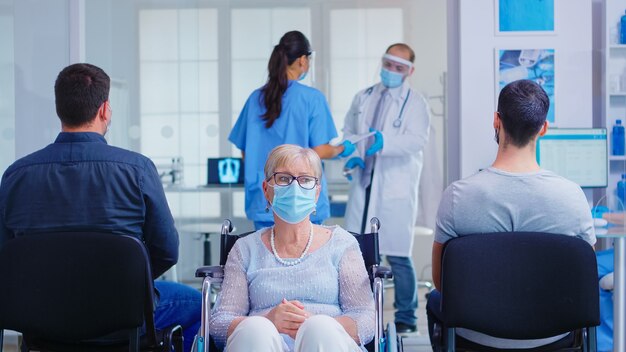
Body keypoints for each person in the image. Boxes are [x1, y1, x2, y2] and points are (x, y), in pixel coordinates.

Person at [0, 63, 201, 352]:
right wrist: (121, 281)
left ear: (60, 109)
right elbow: (167, 251)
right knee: (198, 304)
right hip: (122, 316)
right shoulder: (137, 170)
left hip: (41, 315)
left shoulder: (16, 175)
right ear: (105, 109)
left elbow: (7, 256)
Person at [426, 79, 596, 350]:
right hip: (553, 337)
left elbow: (442, 281)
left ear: (496, 120)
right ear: (543, 129)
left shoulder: (458, 196)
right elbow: (582, 278)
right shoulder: (572, 197)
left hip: (476, 338)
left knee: (434, 299)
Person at [209, 144, 374, 352]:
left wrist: (316, 324)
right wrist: (267, 320)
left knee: (319, 327)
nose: (295, 188)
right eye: (284, 179)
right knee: (255, 328)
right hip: (262, 343)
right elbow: (219, 322)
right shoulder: (245, 250)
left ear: (317, 192)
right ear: (266, 190)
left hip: (327, 342)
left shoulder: (341, 243)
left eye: (305, 179)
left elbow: (367, 318)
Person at [341, 43, 431, 333]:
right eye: (388, 64)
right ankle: (365, 315)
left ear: (410, 71)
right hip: (365, 183)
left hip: (394, 186)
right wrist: (353, 153)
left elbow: (418, 140)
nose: (391, 71)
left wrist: (387, 143)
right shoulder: (363, 97)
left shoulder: (415, 103)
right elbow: (350, 131)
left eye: (399, 67)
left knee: (398, 255)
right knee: (361, 252)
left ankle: (406, 318)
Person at [229, 30, 354, 231]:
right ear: (302, 60)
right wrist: (342, 149)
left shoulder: (255, 98)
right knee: (306, 258)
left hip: (264, 199)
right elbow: (319, 150)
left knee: (266, 258)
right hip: (301, 200)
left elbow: (246, 151)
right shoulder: (312, 99)